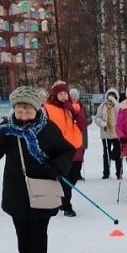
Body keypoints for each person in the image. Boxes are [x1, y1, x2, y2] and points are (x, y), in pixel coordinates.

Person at [0, 86, 75, 253]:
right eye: (19, 111)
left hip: (42, 187)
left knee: (38, 231)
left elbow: (67, 151)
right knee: (22, 231)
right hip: (16, 189)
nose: (23, 116)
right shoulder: (6, 128)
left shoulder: (47, 128)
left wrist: (56, 167)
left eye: (28, 111)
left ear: (36, 109)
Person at [43, 82, 83, 217]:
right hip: (59, 149)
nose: (64, 96)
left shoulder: (74, 107)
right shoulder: (47, 108)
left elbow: (84, 123)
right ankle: (66, 206)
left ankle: (62, 200)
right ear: (55, 95)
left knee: (73, 178)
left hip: (76, 147)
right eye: (60, 94)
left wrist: (73, 111)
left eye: (65, 93)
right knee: (64, 178)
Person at [95, 88, 123, 179]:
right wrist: (101, 123)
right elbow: (97, 117)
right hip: (105, 133)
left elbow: (121, 114)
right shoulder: (102, 106)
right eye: (109, 95)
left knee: (118, 153)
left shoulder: (118, 106)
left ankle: (119, 172)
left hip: (116, 134)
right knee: (106, 153)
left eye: (113, 96)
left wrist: (115, 103)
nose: (111, 97)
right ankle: (106, 172)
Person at [69, 87, 89, 181]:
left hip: (82, 132)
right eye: (72, 96)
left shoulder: (83, 107)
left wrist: (84, 122)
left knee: (81, 153)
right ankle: (72, 172)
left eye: (75, 96)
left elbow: (89, 118)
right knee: (72, 154)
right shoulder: (67, 107)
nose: (74, 98)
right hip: (71, 133)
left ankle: (78, 173)